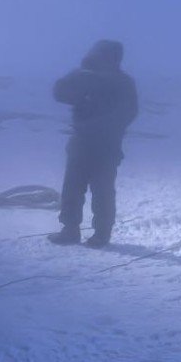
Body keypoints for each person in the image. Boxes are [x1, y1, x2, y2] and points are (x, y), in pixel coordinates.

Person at [49, 39, 138, 248]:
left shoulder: (124, 82)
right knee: (71, 187)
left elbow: (128, 113)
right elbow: (59, 93)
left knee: (103, 191)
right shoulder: (85, 77)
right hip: (80, 143)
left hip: (106, 146)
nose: (97, 57)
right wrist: (79, 72)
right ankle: (69, 229)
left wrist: (99, 128)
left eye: (101, 54)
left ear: (113, 57)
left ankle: (102, 234)